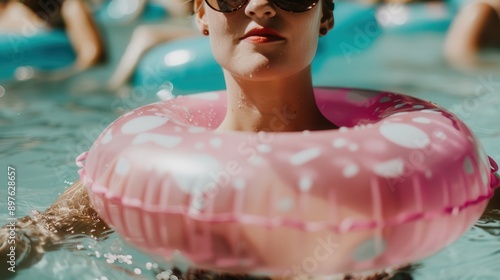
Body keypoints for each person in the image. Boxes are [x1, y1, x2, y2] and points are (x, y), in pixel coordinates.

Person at [1, 0, 499, 279]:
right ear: (200, 13)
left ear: (325, 15)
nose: (261, 5)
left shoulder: (408, 164)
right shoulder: (142, 169)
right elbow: (29, 237)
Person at [107, 0, 197, 90]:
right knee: (145, 33)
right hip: (190, 26)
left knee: (146, 34)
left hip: (200, 32)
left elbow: (184, 11)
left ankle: (116, 85)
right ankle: (116, 85)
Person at [0, 0, 106, 75]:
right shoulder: (14, 10)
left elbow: (91, 55)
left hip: (60, 79)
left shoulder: (71, 7)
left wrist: (56, 78)